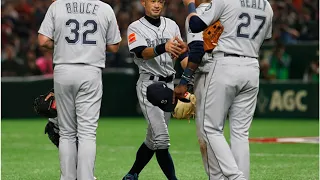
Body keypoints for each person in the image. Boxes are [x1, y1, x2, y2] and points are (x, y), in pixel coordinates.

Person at [174, 0, 273, 179]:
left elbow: (196, 25)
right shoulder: (267, 5)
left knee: (210, 128)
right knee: (241, 133)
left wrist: (189, 4)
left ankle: (236, 177)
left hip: (225, 63)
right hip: (251, 64)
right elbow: (265, 37)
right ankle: (243, 176)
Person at [37, 0, 121, 180]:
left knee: (66, 132)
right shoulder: (104, 8)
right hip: (90, 71)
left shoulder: (57, 5)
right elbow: (114, 46)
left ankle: (67, 178)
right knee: (87, 132)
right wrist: (94, 45)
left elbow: (43, 41)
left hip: (63, 70)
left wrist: (61, 45)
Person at [122, 0, 188, 179]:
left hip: (169, 85)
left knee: (153, 140)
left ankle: (132, 174)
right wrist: (163, 47)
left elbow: (182, 55)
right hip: (149, 86)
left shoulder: (172, 25)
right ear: (144, 2)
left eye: (160, 1)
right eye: (153, 1)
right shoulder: (135, 27)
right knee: (162, 139)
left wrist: (189, 75)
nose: (157, 4)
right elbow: (141, 52)